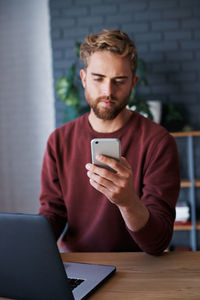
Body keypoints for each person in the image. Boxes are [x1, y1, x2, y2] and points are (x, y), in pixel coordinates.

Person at [38, 29, 180, 255]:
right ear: (84, 79)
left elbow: (158, 242)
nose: (108, 91)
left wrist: (127, 202)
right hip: (79, 264)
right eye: (98, 78)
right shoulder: (59, 141)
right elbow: (53, 213)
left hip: (138, 269)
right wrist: (24, 246)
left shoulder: (158, 142)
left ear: (133, 83)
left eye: (119, 81)